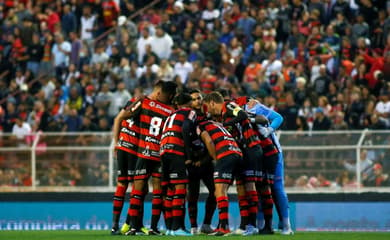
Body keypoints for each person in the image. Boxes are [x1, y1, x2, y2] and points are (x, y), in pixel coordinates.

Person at [113, 81, 177, 235]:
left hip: (143, 152)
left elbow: (122, 117)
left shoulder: (144, 102)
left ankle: (132, 226)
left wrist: (117, 143)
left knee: (137, 189)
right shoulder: (171, 111)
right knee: (157, 192)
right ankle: (153, 227)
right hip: (159, 154)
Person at [206, 91, 263, 235]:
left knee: (249, 186)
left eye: (208, 106)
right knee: (241, 188)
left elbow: (243, 115)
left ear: (212, 103)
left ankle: (252, 225)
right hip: (242, 151)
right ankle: (244, 226)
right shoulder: (223, 115)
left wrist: (225, 124)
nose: (208, 110)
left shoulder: (229, 106)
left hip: (250, 147)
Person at [245, 98, 294, 235]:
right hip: (257, 155)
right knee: (261, 188)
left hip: (273, 153)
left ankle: (286, 226)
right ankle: (262, 227)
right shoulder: (233, 113)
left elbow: (278, 117)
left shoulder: (254, 107)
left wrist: (268, 130)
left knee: (276, 187)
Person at [196, 119, 243, 236]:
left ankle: (224, 228)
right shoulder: (217, 124)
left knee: (219, 191)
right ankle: (232, 225)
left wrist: (216, 159)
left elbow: (209, 142)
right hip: (237, 153)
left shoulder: (201, 125)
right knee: (224, 191)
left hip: (225, 154)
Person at [160, 93, 197, 236]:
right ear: (189, 103)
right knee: (180, 189)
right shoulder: (189, 112)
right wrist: (188, 155)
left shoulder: (171, 115)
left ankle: (169, 228)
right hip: (176, 150)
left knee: (170, 190)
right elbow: (186, 128)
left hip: (164, 151)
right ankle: (177, 228)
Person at [186, 89, 216, 235]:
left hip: (207, 161)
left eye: (199, 98)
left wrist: (205, 159)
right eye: (194, 99)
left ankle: (206, 224)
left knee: (216, 192)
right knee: (193, 195)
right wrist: (191, 158)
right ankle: (193, 227)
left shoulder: (209, 117)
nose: (197, 101)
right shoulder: (187, 118)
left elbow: (213, 141)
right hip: (192, 162)